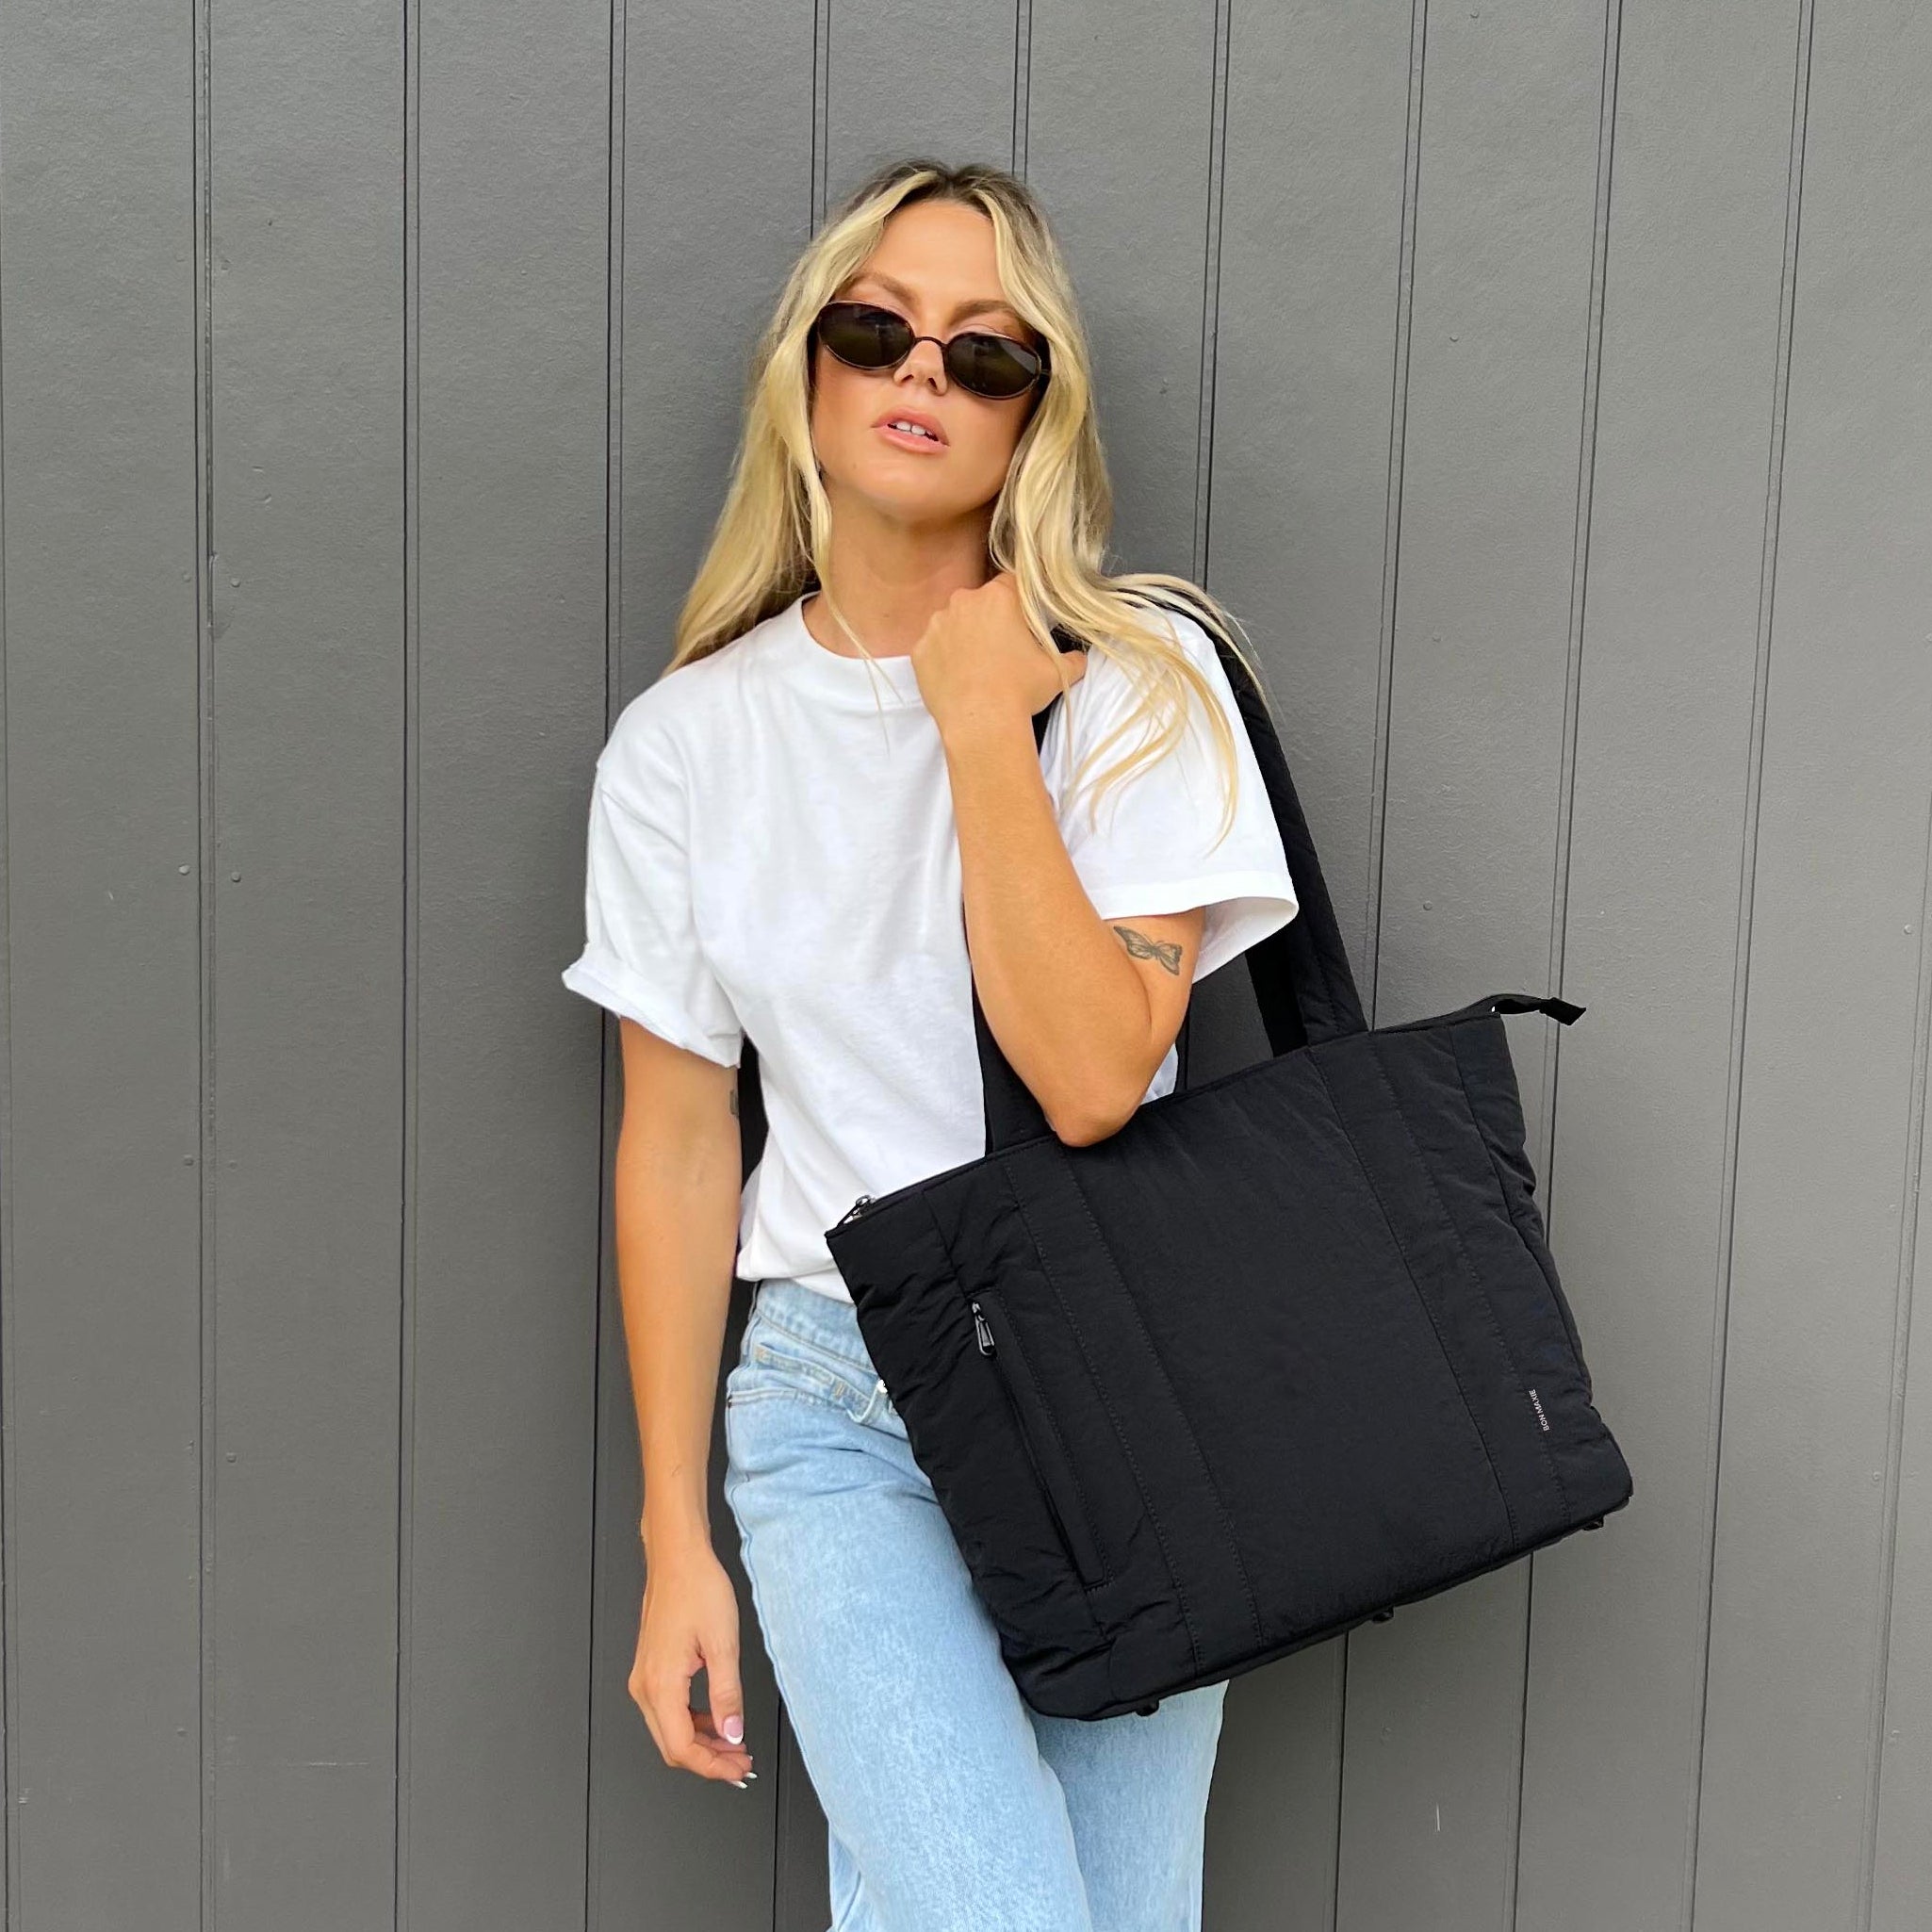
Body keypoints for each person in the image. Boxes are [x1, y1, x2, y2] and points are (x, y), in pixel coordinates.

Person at [561, 156, 1300, 1932]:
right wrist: (675, 1541)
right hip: (838, 1398)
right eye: (876, 329)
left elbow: (1092, 1078)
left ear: (1035, 409)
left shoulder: (1138, 683)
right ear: (806, 371)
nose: (921, 374)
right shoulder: (682, 748)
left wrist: (977, 727)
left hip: (1117, 1383)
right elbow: (679, 1143)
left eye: (985, 352)